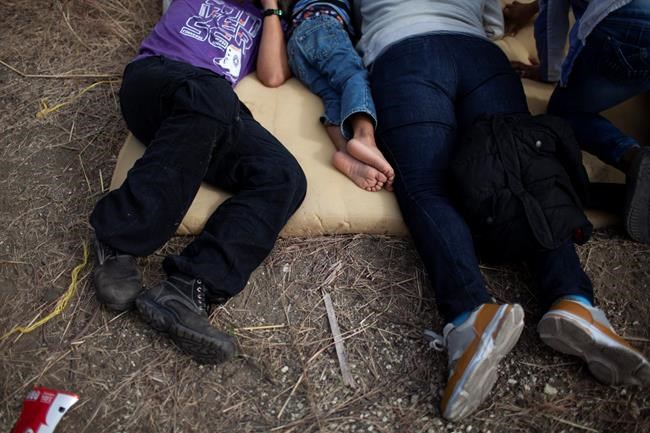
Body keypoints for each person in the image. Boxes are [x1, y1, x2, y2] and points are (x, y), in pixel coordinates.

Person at [355, 0, 650, 421]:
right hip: (479, 55)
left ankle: (469, 314)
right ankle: (574, 300)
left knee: (426, 186)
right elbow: (493, 25)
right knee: (525, 170)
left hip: (402, 53)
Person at [90, 0, 306, 364]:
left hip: (215, 110)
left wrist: (272, 9)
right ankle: (118, 237)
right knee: (213, 93)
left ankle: (187, 288)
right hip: (158, 78)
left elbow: (272, 75)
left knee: (284, 176)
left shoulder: (272, 21)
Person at [507, 0, 650, 243]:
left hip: (626, 25)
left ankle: (633, 156)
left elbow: (552, 17)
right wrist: (530, 9)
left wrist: (550, 72)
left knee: (564, 113)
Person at [282, 0, 394, 192]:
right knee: (353, 75)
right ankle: (364, 138)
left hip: (294, 50)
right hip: (322, 25)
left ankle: (346, 152)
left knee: (333, 95)